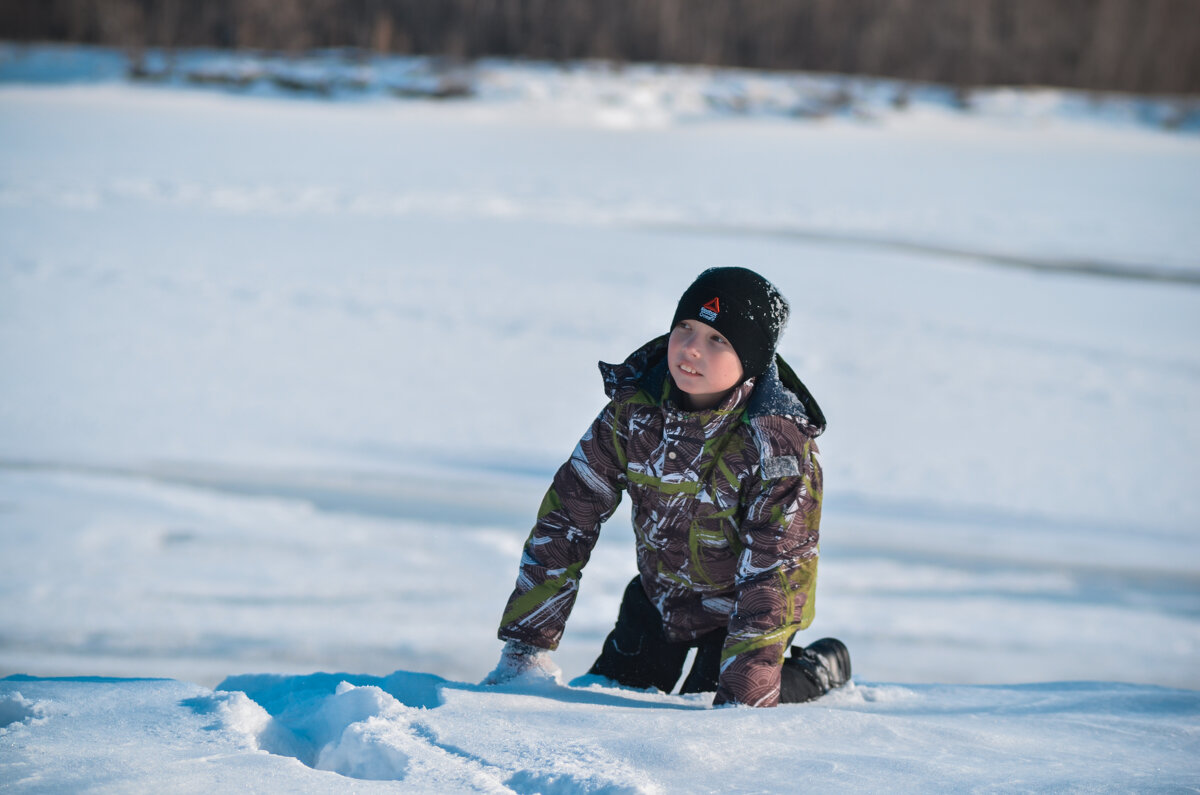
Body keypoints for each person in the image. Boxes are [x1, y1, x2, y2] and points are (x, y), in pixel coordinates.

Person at [484, 267, 850, 707]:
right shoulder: (634, 412)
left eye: (718, 340)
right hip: (659, 600)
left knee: (710, 701)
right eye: (685, 328)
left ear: (750, 357)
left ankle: (814, 670)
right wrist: (526, 648)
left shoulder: (776, 446)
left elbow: (774, 575)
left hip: (742, 617)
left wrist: (741, 706)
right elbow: (567, 519)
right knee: (608, 694)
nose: (692, 349)